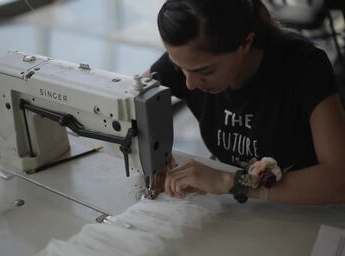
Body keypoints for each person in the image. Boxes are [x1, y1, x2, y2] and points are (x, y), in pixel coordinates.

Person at [144, 0, 345, 204]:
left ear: (246, 44)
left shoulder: (304, 67)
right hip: (242, 206)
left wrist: (231, 182)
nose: (190, 83)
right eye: (179, 67)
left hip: (303, 204)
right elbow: (134, 99)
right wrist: (156, 155)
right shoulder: (192, 57)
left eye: (206, 71)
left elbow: (339, 179)